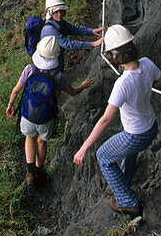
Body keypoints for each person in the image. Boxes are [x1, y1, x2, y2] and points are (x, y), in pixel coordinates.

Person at [73, 25, 161, 217]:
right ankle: (121, 182)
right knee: (129, 153)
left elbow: (105, 120)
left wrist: (84, 148)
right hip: (151, 127)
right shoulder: (146, 64)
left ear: (116, 56)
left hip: (136, 134)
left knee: (103, 156)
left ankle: (128, 202)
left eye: (112, 53)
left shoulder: (123, 84)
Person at [7, 35, 95, 186]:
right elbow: (72, 92)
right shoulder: (57, 75)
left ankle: (29, 172)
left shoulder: (29, 69)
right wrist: (83, 86)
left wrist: (11, 104)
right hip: (46, 118)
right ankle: (39, 171)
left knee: (29, 139)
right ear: (55, 56)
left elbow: (16, 90)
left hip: (28, 114)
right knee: (42, 142)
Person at [41, 0, 104, 68]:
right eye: (56, 12)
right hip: (48, 60)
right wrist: (91, 44)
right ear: (50, 13)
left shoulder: (58, 21)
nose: (60, 14)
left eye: (61, 11)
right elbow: (67, 44)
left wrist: (91, 31)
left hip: (57, 55)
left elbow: (73, 29)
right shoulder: (50, 29)